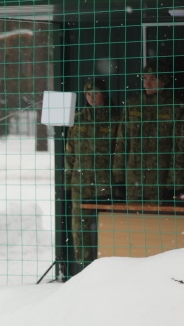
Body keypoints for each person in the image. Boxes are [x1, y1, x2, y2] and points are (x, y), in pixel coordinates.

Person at [64, 78, 119, 272]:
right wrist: (68, 180)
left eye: (95, 93)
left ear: (104, 94)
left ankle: (109, 267)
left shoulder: (115, 118)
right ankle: (84, 266)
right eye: (88, 94)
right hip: (81, 180)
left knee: (108, 224)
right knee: (80, 226)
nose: (91, 98)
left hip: (106, 179)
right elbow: (70, 152)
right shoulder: (78, 119)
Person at [113, 60, 184, 203]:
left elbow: (179, 149)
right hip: (133, 181)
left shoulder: (175, 108)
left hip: (160, 181)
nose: (148, 83)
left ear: (164, 81)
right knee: (132, 223)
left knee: (157, 223)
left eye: (153, 79)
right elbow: (121, 143)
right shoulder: (132, 105)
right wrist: (118, 178)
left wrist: (174, 184)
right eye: (145, 78)